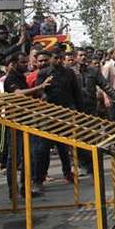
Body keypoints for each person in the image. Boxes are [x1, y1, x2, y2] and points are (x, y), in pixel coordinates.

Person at [32, 51, 82, 194]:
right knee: (43, 149)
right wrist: (44, 96)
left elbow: (76, 93)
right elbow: (38, 92)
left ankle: (68, 173)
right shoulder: (43, 73)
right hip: (47, 115)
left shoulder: (69, 73)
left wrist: (78, 111)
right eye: (56, 57)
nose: (59, 60)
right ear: (51, 59)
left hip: (65, 113)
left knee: (64, 146)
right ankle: (38, 180)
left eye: (61, 57)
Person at [2, 53, 51, 198]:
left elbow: (28, 96)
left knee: (27, 157)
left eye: (26, 62)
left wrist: (40, 93)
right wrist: (39, 87)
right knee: (14, 158)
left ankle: (24, 189)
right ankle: (13, 191)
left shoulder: (21, 77)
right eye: (22, 62)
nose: (26, 65)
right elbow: (18, 94)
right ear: (13, 63)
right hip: (14, 122)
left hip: (25, 120)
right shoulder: (10, 78)